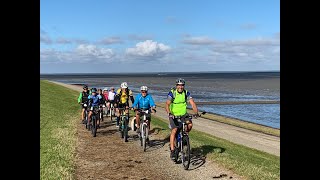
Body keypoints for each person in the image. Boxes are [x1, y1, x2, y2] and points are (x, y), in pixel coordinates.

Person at [165, 78, 199, 161]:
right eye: (179, 85)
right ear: (176, 86)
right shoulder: (172, 93)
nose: (180, 87)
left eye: (182, 85)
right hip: (174, 115)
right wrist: (169, 113)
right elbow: (167, 104)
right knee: (174, 130)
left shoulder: (186, 93)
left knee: (190, 125)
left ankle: (184, 137)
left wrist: (196, 113)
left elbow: (192, 103)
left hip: (184, 115)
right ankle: (173, 150)